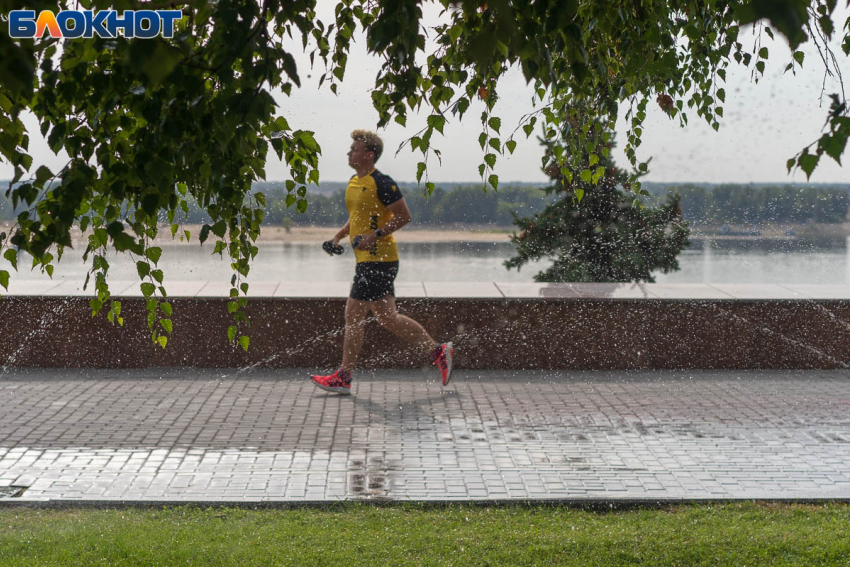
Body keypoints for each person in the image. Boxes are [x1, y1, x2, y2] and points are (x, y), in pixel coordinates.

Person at [310, 129, 453, 395]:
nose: (349, 152)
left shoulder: (383, 183)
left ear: (369, 154)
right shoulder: (354, 182)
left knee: (353, 315)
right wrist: (337, 237)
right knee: (388, 318)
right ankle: (438, 352)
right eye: (350, 148)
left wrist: (374, 236)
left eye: (355, 149)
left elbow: (404, 216)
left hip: (379, 260)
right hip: (369, 260)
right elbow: (358, 217)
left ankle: (343, 377)